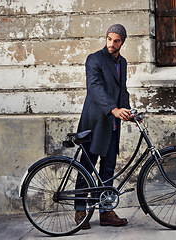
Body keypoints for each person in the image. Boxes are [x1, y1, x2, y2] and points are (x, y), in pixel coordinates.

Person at [74, 24, 131, 229]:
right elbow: (95, 88)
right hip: (95, 122)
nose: (111, 43)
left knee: (108, 169)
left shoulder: (122, 62)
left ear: (122, 42)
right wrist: (113, 110)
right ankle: (80, 209)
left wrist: (129, 112)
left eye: (116, 40)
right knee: (87, 167)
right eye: (109, 39)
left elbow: (121, 91)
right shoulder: (94, 59)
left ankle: (106, 211)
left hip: (113, 125)